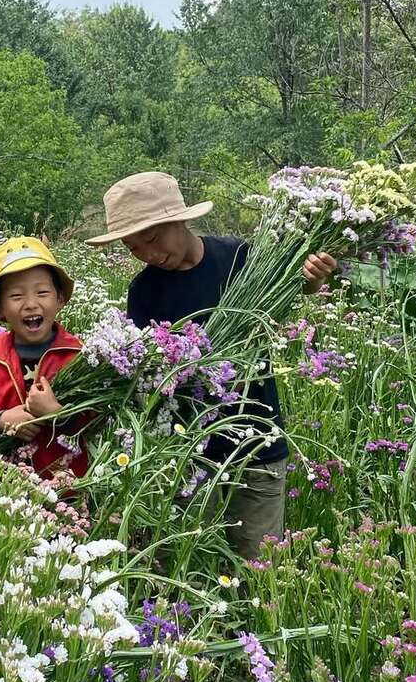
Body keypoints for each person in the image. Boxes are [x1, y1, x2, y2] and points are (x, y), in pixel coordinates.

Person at [86, 171, 336, 559]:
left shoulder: (242, 258)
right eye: (134, 248)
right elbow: (145, 372)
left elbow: (293, 288)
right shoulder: (144, 291)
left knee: (259, 562)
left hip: (257, 437)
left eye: (152, 239)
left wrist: (314, 278)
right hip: (188, 448)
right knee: (184, 556)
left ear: (180, 219)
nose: (148, 254)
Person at [0, 236, 89, 479]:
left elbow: (97, 421)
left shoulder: (78, 355)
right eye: (16, 296)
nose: (31, 304)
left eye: (42, 292)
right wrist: (0, 421)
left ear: (60, 298)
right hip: (5, 487)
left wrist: (57, 415)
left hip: (67, 486)